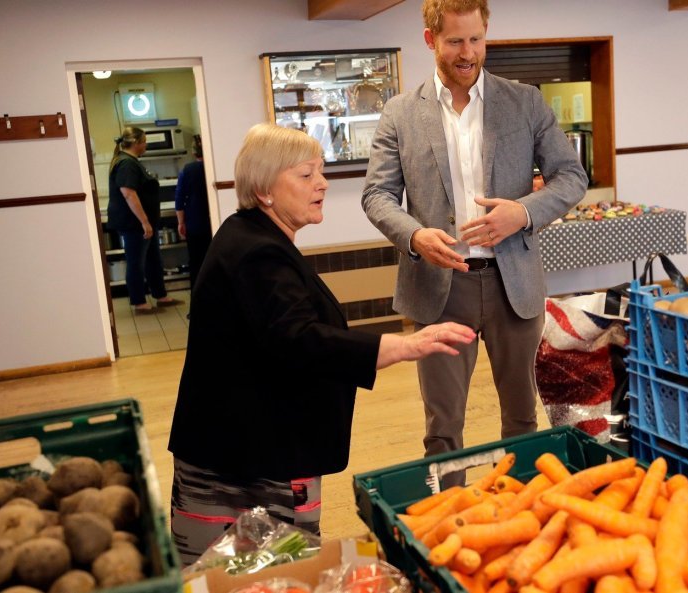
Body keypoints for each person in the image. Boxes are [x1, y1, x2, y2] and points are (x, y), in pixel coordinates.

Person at [167, 123, 475, 566]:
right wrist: (405, 345)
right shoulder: (257, 252)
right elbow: (301, 339)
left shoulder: (251, 236)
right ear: (265, 190)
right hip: (249, 462)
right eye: (306, 174)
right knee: (254, 574)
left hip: (240, 448)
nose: (322, 183)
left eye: (321, 171)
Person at [361, 0, 588, 483]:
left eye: (477, 40)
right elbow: (377, 195)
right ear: (430, 40)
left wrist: (523, 212)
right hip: (440, 288)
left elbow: (570, 176)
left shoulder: (524, 101)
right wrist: (415, 235)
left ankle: (524, 511)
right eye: (455, 41)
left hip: (515, 286)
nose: (469, 53)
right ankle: (452, 520)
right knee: (443, 427)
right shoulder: (400, 113)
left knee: (523, 419)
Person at [106, 126, 183, 314]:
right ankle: (139, 302)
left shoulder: (132, 161)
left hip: (142, 222)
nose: (146, 145)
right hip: (134, 224)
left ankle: (160, 295)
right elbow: (128, 194)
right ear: (137, 143)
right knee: (136, 262)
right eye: (145, 141)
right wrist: (144, 221)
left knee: (152, 259)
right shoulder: (127, 164)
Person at [174, 134, 212, 288]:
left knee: (196, 263)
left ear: (194, 152)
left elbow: (179, 198)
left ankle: (196, 306)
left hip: (194, 224)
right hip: (213, 223)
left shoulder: (187, 170)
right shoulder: (214, 169)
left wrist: (181, 222)